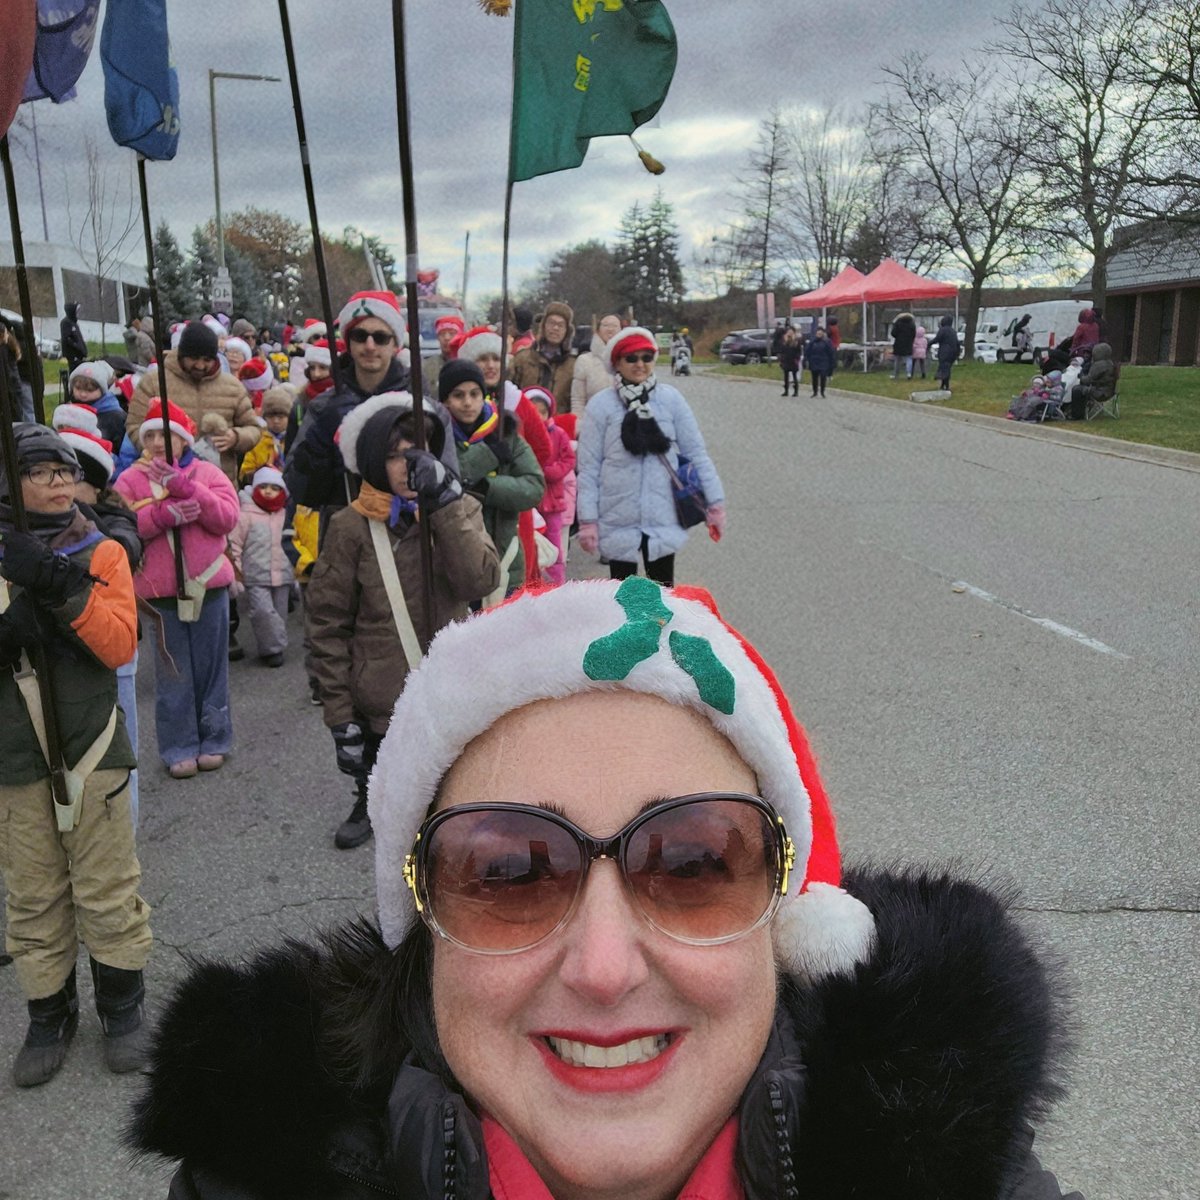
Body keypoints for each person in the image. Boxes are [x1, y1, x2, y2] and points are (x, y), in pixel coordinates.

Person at [129, 580, 1084, 1200]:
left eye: (693, 865)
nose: (602, 967)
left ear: (785, 920)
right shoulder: (254, 1176)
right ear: (421, 924)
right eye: (508, 872)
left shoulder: (962, 1170)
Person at [0, 424, 151, 1087]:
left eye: (66, 469)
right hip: (13, 756)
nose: (61, 480)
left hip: (92, 744)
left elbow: (119, 645)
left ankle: (122, 1007)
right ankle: (48, 1014)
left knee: (107, 883)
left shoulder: (101, 550)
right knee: (32, 893)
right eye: (40, 470)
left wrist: (59, 586)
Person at [306, 391, 500, 850]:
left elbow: (479, 580)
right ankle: (367, 800)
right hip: (381, 694)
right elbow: (328, 624)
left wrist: (446, 504)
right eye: (395, 455)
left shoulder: (461, 509)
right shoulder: (350, 527)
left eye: (419, 452)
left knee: (449, 800)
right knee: (383, 783)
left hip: (449, 689)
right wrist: (339, 716)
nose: (409, 465)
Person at [112, 400, 240, 779]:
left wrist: (189, 491)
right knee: (173, 672)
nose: (156, 442)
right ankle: (179, 745)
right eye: (150, 435)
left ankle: (215, 738)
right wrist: (159, 516)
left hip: (208, 586)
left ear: (184, 440)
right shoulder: (129, 481)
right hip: (160, 594)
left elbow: (227, 518)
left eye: (165, 435)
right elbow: (120, 527)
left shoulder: (207, 473)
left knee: (212, 668)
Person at [51, 405, 144, 828]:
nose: (61, 489)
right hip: (61, 658)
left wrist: (85, 526)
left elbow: (126, 548)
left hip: (110, 654)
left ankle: (125, 830)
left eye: (72, 479)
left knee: (115, 751)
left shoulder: (113, 519)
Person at [576, 326, 725, 586]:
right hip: (617, 515)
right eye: (631, 358)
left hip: (662, 514)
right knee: (626, 598)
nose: (640, 364)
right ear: (617, 363)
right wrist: (588, 520)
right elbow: (589, 468)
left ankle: (658, 617)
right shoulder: (601, 406)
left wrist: (715, 503)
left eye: (646, 357)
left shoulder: (670, 400)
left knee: (662, 595)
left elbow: (696, 453)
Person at [441, 359, 544, 601]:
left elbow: (534, 487)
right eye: (458, 395)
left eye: (474, 394)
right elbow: (449, 476)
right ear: (445, 400)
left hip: (504, 554)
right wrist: (488, 454)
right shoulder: (438, 436)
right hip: (455, 559)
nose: (468, 402)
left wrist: (487, 488)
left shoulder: (505, 433)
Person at [127, 321, 260, 486]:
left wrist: (236, 437)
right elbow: (134, 424)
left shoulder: (233, 387)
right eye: (194, 358)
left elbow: (254, 429)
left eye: (207, 360)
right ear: (181, 355)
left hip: (218, 485)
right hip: (165, 482)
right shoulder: (154, 382)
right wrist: (157, 449)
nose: (200, 365)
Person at [228, 467, 292, 668]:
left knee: (279, 614)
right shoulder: (245, 515)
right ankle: (272, 649)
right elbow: (235, 544)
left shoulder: (286, 515)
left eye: (274, 488)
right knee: (262, 612)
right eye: (263, 487)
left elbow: (295, 543)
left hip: (283, 573)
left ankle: (273, 645)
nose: (268, 491)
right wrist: (236, 572)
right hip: (255, 575)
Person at [523, 385, 575, 587]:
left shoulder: (558, 434)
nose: (539, 417)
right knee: (531, 544)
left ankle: (556, 584)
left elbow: (569, 459)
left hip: (552, 501)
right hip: (530, 501)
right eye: (533, 412)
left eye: (542, 412)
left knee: (555, 545)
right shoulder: (522, 434)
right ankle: (533, 584)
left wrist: (552, 471)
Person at [509, 301, 578, 415]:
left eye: (561, 325)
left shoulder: (573, 366)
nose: (555, 328)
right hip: (524, 420)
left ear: (567, 331)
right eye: (551, 323)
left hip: (557, 423)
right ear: (543, 326)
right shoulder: (522, 358)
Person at [63, 360, 126, 449]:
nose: (83, 394)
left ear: (102, 390)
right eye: (78, 388)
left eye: (90, 390)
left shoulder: (116, 416)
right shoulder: (67, 410)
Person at [571, 311, 623, 410]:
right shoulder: (584, 361)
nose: (610, 329)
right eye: (606, 325)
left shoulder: (629, 360)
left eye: (614, 326)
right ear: (598, 330)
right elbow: (578, 400)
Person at [240, 385, 292, 484]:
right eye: (271, 417)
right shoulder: (258, 441)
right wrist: (261, 472)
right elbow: (244, 474)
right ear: (265, 417)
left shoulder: (294, 440)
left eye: (281, 417)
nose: (276, 421)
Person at [1067, 342, 1117, 420]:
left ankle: (1077, 415)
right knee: (1082, 388)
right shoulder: (1110, 363)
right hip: (1110, 392)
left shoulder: (1099, 365)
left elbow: (1087, 380)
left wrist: (1081, 376)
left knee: (1076, 389)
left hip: (1100, 393)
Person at [424, 313, 466, 398]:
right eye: (442, 334)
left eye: (451, 333)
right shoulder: (427, 366)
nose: (446, 338)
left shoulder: (468, 364)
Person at [803, 325, 836, 397]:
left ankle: (822, 391)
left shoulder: (827, 342)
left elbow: (831, 352)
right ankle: (815, 392)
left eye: (820, 333)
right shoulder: (812, 341)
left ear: (823, 333)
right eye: (818, 333)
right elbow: (807, 351)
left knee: (823, 377)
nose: (819, 334)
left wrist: (832, 363)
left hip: (824, 362)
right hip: (814, 361)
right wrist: (807, 359)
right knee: (814, 377)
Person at [932, 315, 961, 393]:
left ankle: (944, 384)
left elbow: (937, 339)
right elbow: (957, 342)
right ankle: (944, 385)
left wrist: (928, 344)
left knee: (944, 368)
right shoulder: (953, 331)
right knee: (947, 368)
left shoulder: (942, 330)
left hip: (944, 352)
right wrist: (957, 353)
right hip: (952, 353)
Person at [59, 302, 88, 374]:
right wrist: (76, 347)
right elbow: (66, 339)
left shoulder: (74, 323)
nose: (77, 313)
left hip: (80, 355)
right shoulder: (65, 323)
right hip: (73, 356)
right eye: (76, 311)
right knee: (74, 373)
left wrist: (83, 350)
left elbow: (78, 338)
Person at [890, 310, 917, 379]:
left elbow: (893, 333)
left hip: (898, 343)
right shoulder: (912, 324)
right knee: (909, 358)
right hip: (908, 343)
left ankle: (896, 374)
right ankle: (908, 373)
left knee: (897, 359)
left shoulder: (898, 323)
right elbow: (914, 334)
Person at [779, 326, 802, 396]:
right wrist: (781, 358)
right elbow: (781, 349)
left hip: (793, 360)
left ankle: (796, 391)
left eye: (791, 332)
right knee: (786, 376)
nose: (790, 333)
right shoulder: (784, 339)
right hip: (786, 360)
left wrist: (797, 359)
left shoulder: (796, 341)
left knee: (794, 376)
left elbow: (799, 351)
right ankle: (786, 391)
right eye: (789, 331)